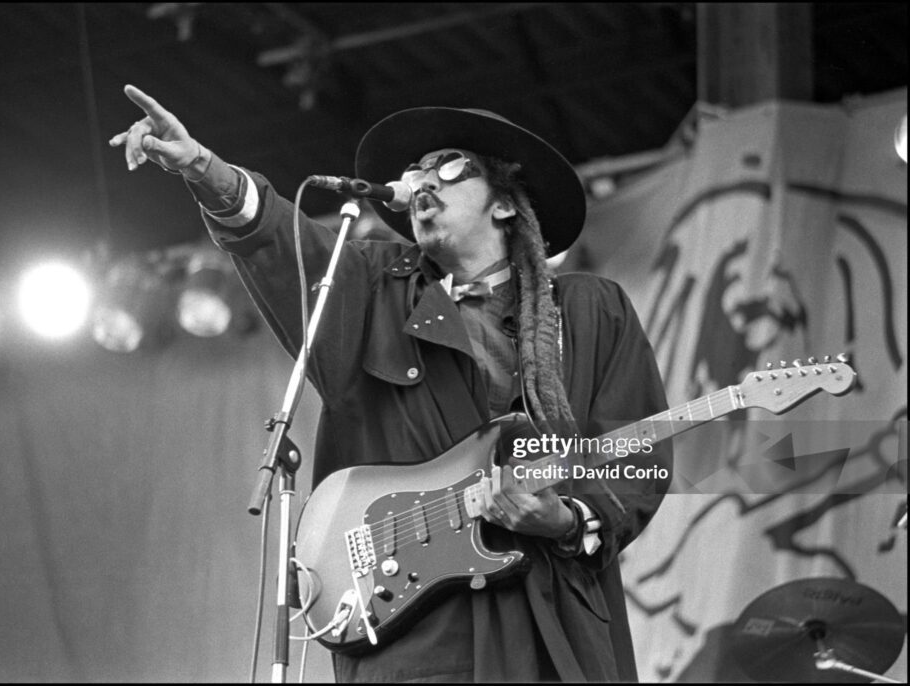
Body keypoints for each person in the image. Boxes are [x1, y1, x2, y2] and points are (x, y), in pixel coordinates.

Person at [111, 85, 672, 683]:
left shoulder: (589, 310)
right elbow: (279, 238)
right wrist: (202, 168)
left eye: (450, 167)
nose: (423, 180)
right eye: (415, 171)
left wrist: (565, 520)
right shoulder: (371, 289)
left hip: (551, 630)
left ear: (505, 203)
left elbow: (639, 455)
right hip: (415, 645)